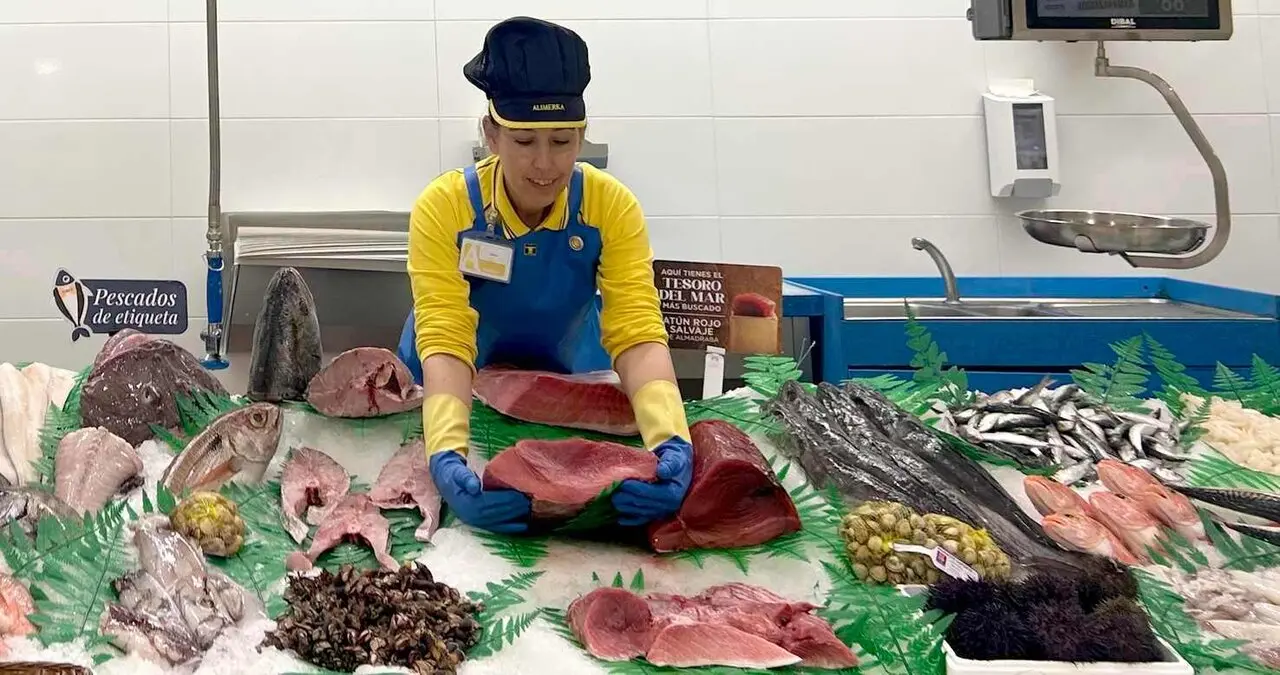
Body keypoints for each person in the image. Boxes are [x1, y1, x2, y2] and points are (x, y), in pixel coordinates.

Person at [397, 17, 692, 536]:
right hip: (449, 379)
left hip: (563, 375)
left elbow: (636, 330)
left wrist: (672, 438)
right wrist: (445, 454)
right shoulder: (444, 208)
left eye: (561, 140)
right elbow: (445, 333)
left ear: (582, 134)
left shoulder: (610, 206)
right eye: (523, 140)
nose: (544, 164)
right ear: (490, 134)